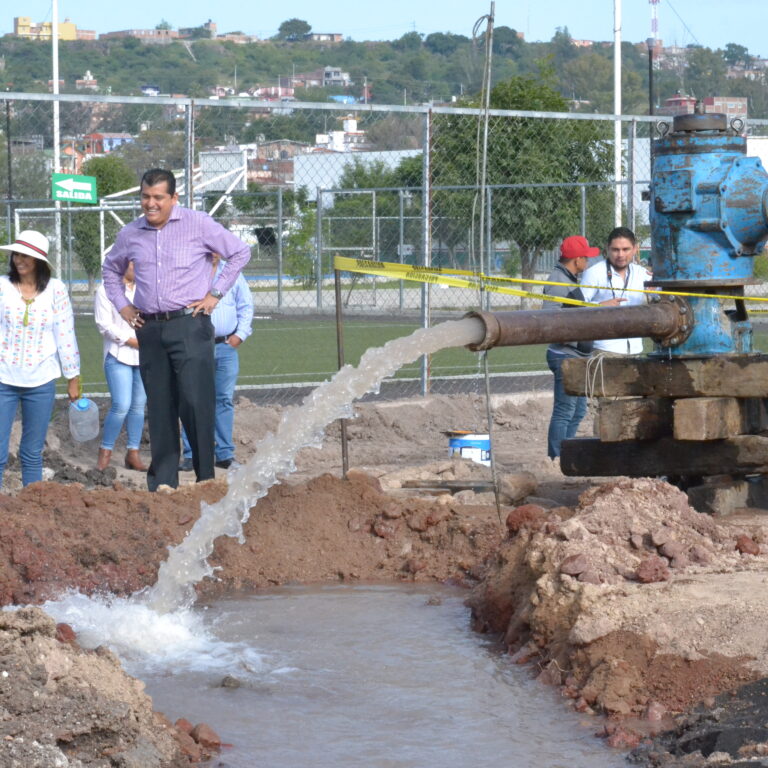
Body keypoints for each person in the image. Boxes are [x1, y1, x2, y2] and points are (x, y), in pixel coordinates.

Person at [102, 168, 251, 491]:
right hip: (150, 329)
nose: (150, 204)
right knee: (159, 404)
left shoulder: (198, 224)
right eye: (145, 196)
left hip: (189, 324)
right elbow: (110, 269)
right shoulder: (130, 233)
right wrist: (124, 307)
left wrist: (215, 295)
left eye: (158, 197)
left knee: (196, 402)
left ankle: (205, 479)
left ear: (173, 198)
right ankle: (164, 483)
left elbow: (240, 252)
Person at [0, 230, 80, 487]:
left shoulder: (56, 290)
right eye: (16, 254)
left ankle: (32, 507)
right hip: (3, 378)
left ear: (39, 261)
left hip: (41, 381)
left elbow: (65, 333)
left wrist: (72, 377)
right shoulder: (2, 286)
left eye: (26, 256)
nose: (19, 260)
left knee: (32, 452)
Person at [179, 254, 253, 472]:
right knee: (192, 399)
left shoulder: (233, 274)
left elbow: (246, 306)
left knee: (223, 400)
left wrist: (239, 335)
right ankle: (192, 455)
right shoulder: (189, 272)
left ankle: (224, 455)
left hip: (226, 346)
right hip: (195, 346)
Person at [543, 235, 600, 459]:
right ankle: (556, 457)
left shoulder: (568, 279)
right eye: (586, 258)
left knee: (578, 410)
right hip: (564, 355)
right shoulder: (558, 282)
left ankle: (565, 452)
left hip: (576, 355)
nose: (588, 262)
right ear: (576, 260)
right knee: (565, 411)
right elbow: (550, 320)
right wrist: (570, 338)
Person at [94, 259, 147, 472]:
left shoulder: (145, 289)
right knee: (121, 405)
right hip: (118, 355)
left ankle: (132, 453)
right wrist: (132, 340)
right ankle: (105, 451)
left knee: (138, 406)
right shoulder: (105, 290)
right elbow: (104, 324)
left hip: (143, 356)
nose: (138, 267)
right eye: (134, 263)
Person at [580, 227, 650, 355]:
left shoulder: (642, 273)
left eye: (626, 249)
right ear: (607, 249)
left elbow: (663, 296)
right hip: (604, 349)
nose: (621, 255)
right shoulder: (594, 273)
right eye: (615, 250)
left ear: (635, 249)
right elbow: (577, 308)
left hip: (635, 349)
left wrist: (656, 290)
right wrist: (599, 306)